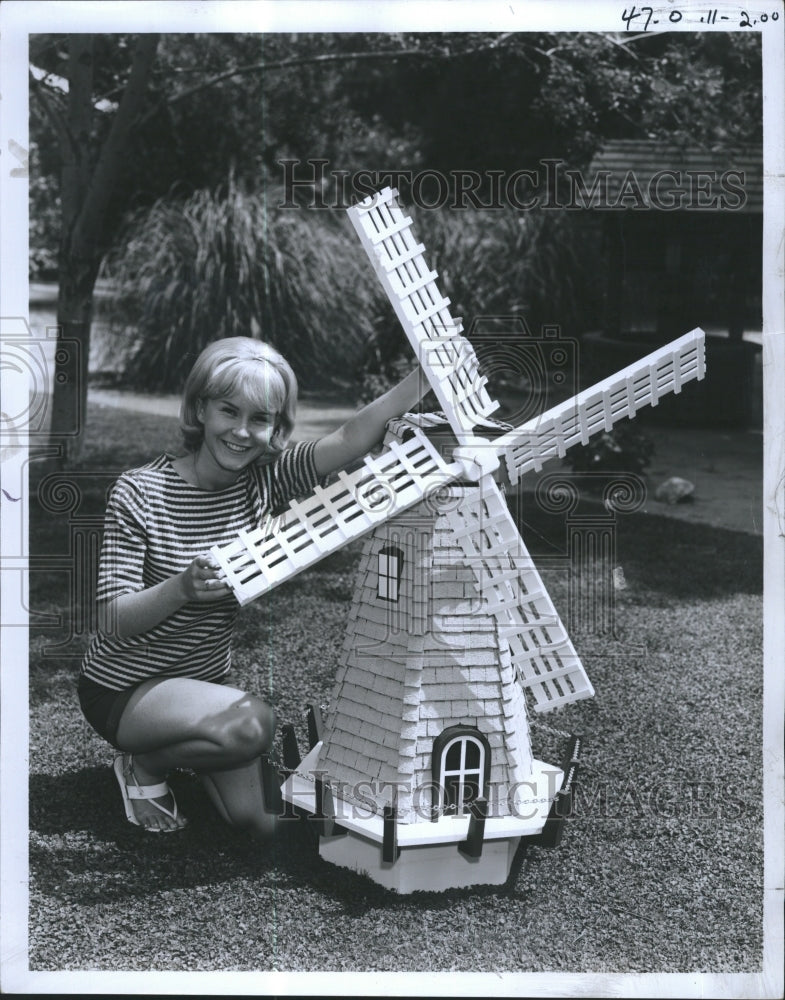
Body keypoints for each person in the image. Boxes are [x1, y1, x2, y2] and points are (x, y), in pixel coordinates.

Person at [78, 336, 426, 835]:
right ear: (200, 409)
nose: (241, 432)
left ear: (276, 427)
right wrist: (181, 588)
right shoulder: (140, 492)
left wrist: (424, 377)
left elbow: (350, 438)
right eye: (228, 411)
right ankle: (144, 766)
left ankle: (202, 742)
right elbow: (111, 619)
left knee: (261, 822)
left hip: (200, 686)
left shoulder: (265, 480)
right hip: (123, 690)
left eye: (259, 419)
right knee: (253, 725)